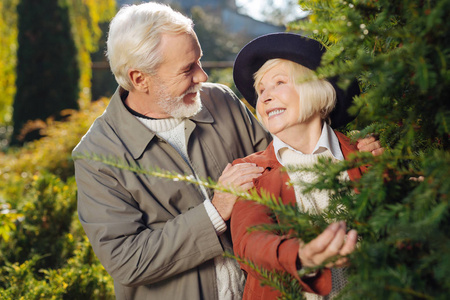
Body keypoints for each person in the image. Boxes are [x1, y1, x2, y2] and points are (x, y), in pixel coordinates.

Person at [73, 3, 382, 299]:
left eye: (199, 60)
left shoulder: (219, 101)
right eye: (187, 69)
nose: (203, 76)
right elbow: (128, 260)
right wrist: (215, 211)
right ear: (140, 79)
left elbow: (289, 157)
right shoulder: (97, 155)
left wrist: (351, 150)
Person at [230, 32, 376, 299]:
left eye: (279, 82)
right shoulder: (252, 172)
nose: (265, 96)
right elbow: (248, 242)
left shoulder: (366, 156)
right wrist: (300, 255)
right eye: (261, 90)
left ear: (317, 89)